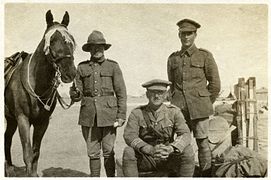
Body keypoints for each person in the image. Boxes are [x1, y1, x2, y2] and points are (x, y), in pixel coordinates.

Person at [167, 19, 221, 177]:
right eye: (183, 33)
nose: (186, 37)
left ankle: (205, 175)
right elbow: (171, 84)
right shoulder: (173, 58)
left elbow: (215, 84)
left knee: (203, 144)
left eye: (189, 33)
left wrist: (204, 102)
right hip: (179, 110)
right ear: (179, 35)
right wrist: (175, 103)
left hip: (199, 109)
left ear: (195, 35)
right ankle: (178, 175)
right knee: (178, 143)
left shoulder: (205, 56)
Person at [69, 30, 127, 177]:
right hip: (88, 117)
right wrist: (75, 94)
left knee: (108, 150)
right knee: (93, 152)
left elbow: (121, 93)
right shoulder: (82, 68)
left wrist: (121, 116)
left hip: (109, 116)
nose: (97, 49)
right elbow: (78, 94)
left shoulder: (113, 66)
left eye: (100, 46)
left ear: (104, 48)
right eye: (93, 47)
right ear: (89, 49)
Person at [122, 79, 195, 177]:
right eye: (153, 92)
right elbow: (129, 135)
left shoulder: (174, 112)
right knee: (128, 151)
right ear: (147, 94)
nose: (156, 96)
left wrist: (171, 148)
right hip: (147, 157)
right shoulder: (137, 113)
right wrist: (149, 149)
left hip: (168, 156)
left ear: (166, 95)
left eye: (160, 93)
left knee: (188, 150)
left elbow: (185, 134)